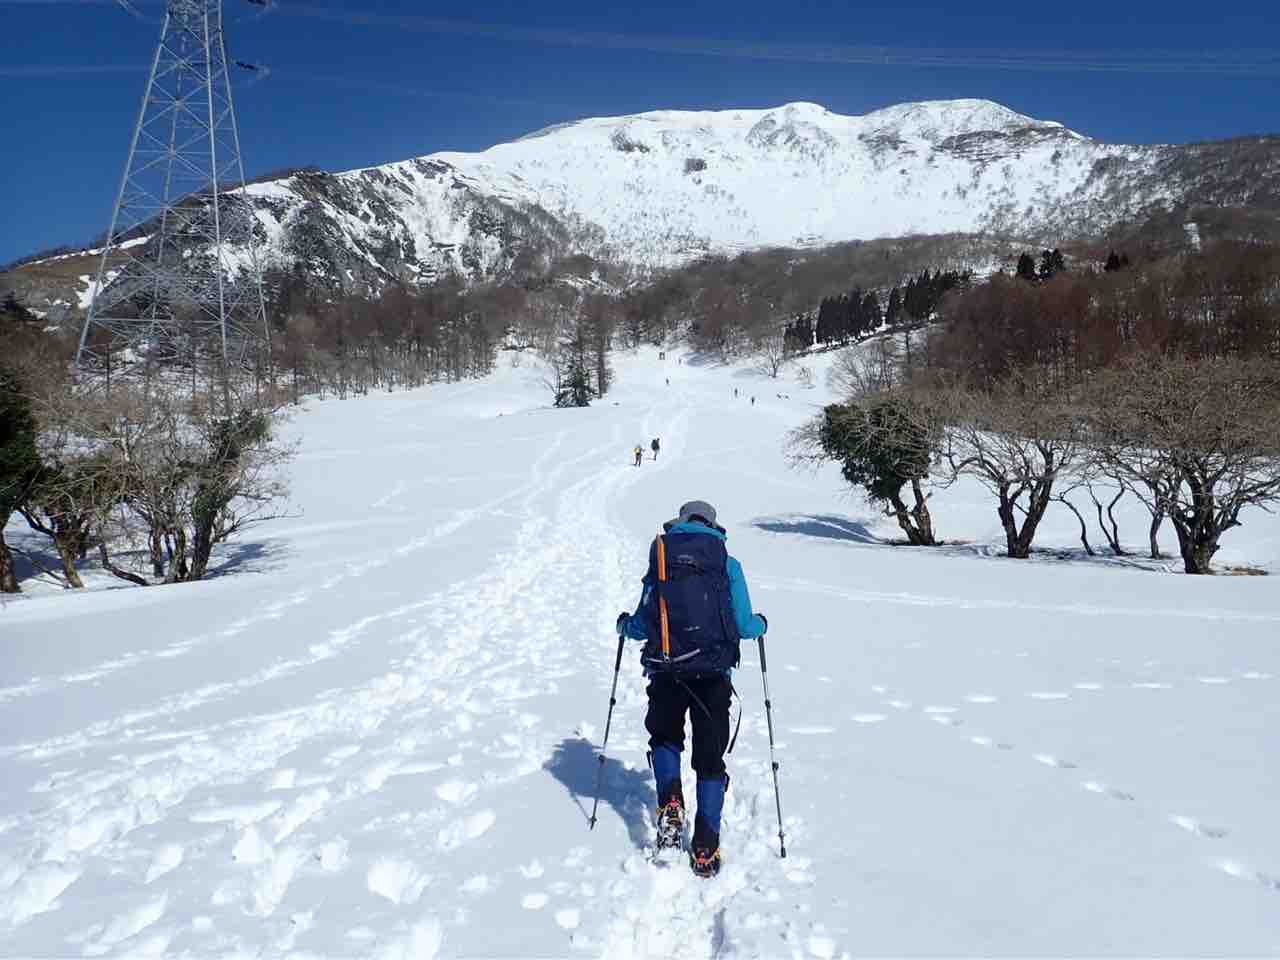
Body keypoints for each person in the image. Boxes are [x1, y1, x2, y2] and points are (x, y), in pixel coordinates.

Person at [616, 500, 767, 878]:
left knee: (666, 737)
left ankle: (669, 799)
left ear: (680, 522)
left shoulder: (664, 557)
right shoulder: (727, 564)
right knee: (709, 754)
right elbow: (745, 625)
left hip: (667, 669)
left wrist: (624, 626)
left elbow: (646, 618)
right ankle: (705, 842)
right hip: (714, 673)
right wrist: (761, 625)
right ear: (713, 526)